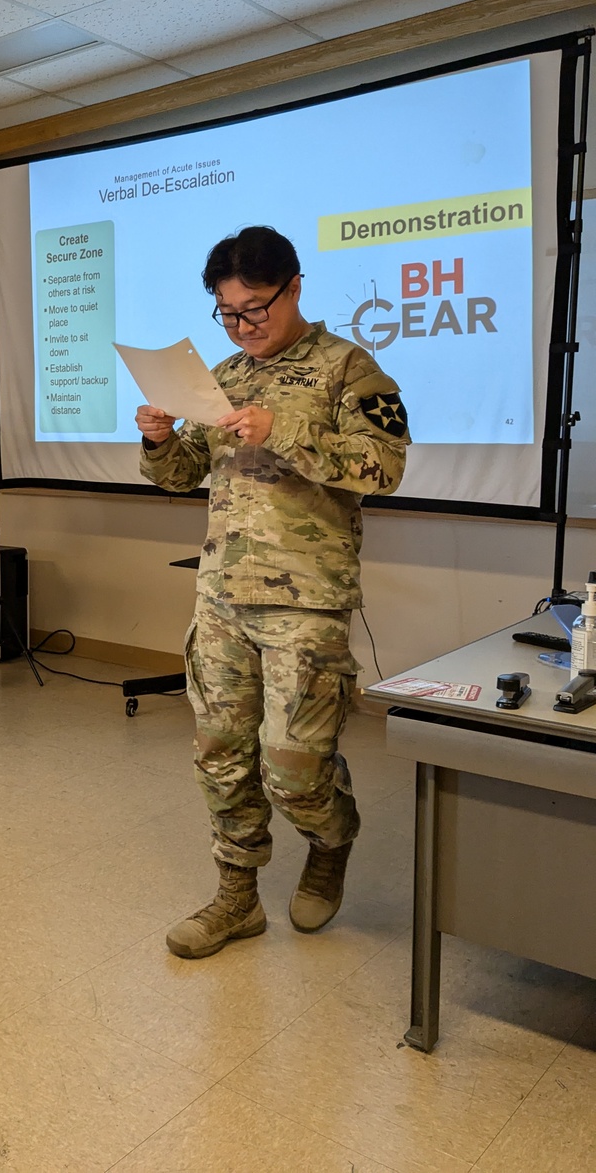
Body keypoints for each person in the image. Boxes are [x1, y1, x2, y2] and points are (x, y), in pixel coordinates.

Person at [137, 226, 409, 959]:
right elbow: (186, 472)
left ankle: (331, 836)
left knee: (292, 767)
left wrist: (285, 428)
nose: (242, 326)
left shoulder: (349, 368)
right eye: (227, 312)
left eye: (254, 308)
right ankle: (237, 899)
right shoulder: (222, 373)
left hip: (305, 601)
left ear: (294, 287)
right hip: (222, 594)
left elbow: (384, 468)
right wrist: (163, 440)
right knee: (221, 753)